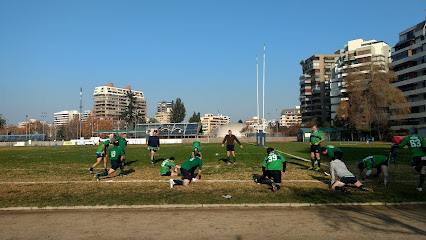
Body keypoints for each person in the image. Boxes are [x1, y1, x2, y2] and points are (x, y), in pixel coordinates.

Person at [392, 127, 426, 192]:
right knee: (423, 170)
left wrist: (394, 145)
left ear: (411, 132)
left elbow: (401, 146)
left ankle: (422, 161)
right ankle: (420, 187)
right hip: (423, 155)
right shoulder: (421, 137)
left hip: (415, 155)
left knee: (414, 170)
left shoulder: (407, 138)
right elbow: (425, 147)